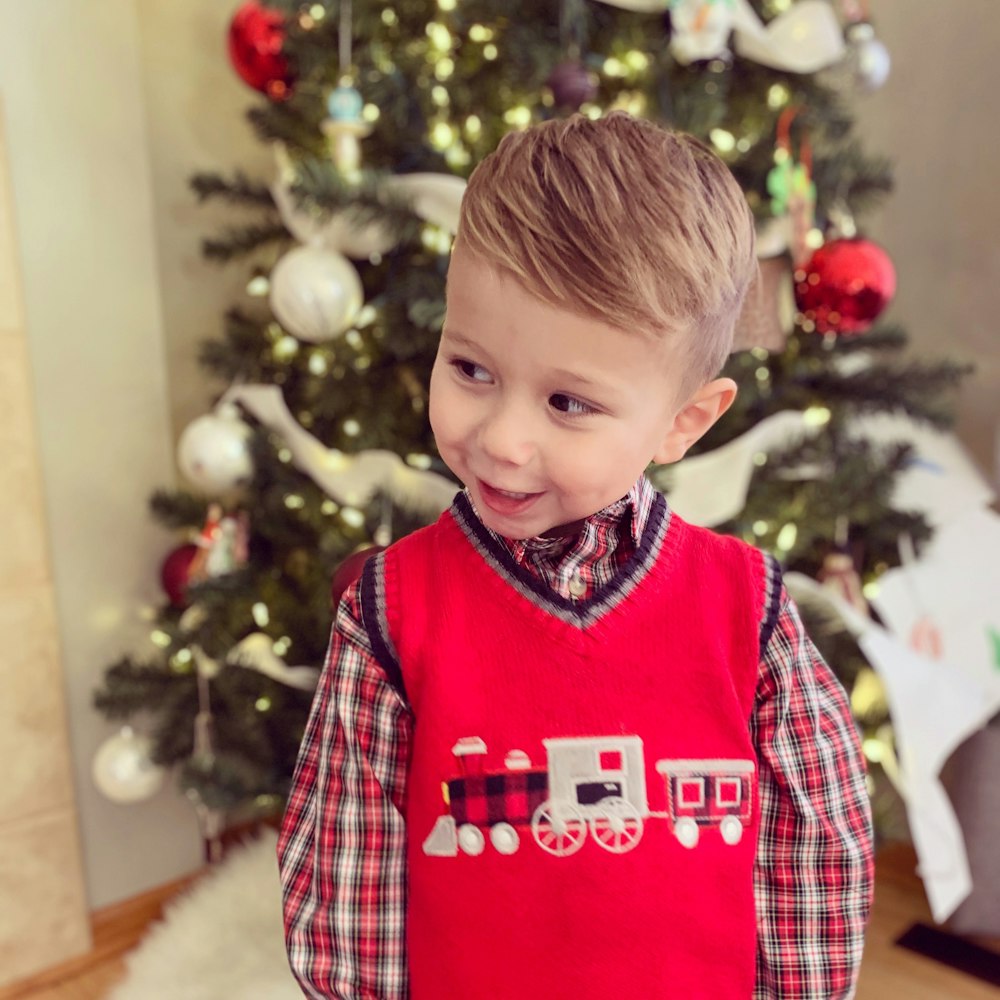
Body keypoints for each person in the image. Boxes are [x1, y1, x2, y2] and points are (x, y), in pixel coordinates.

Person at [278, 111, 873, 1000]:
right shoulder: (387, 613)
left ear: (684, 422)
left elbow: (815, 847)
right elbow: (345, 873)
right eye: (471, 369)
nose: (503, 441)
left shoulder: (745, 607)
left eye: (568, 403)